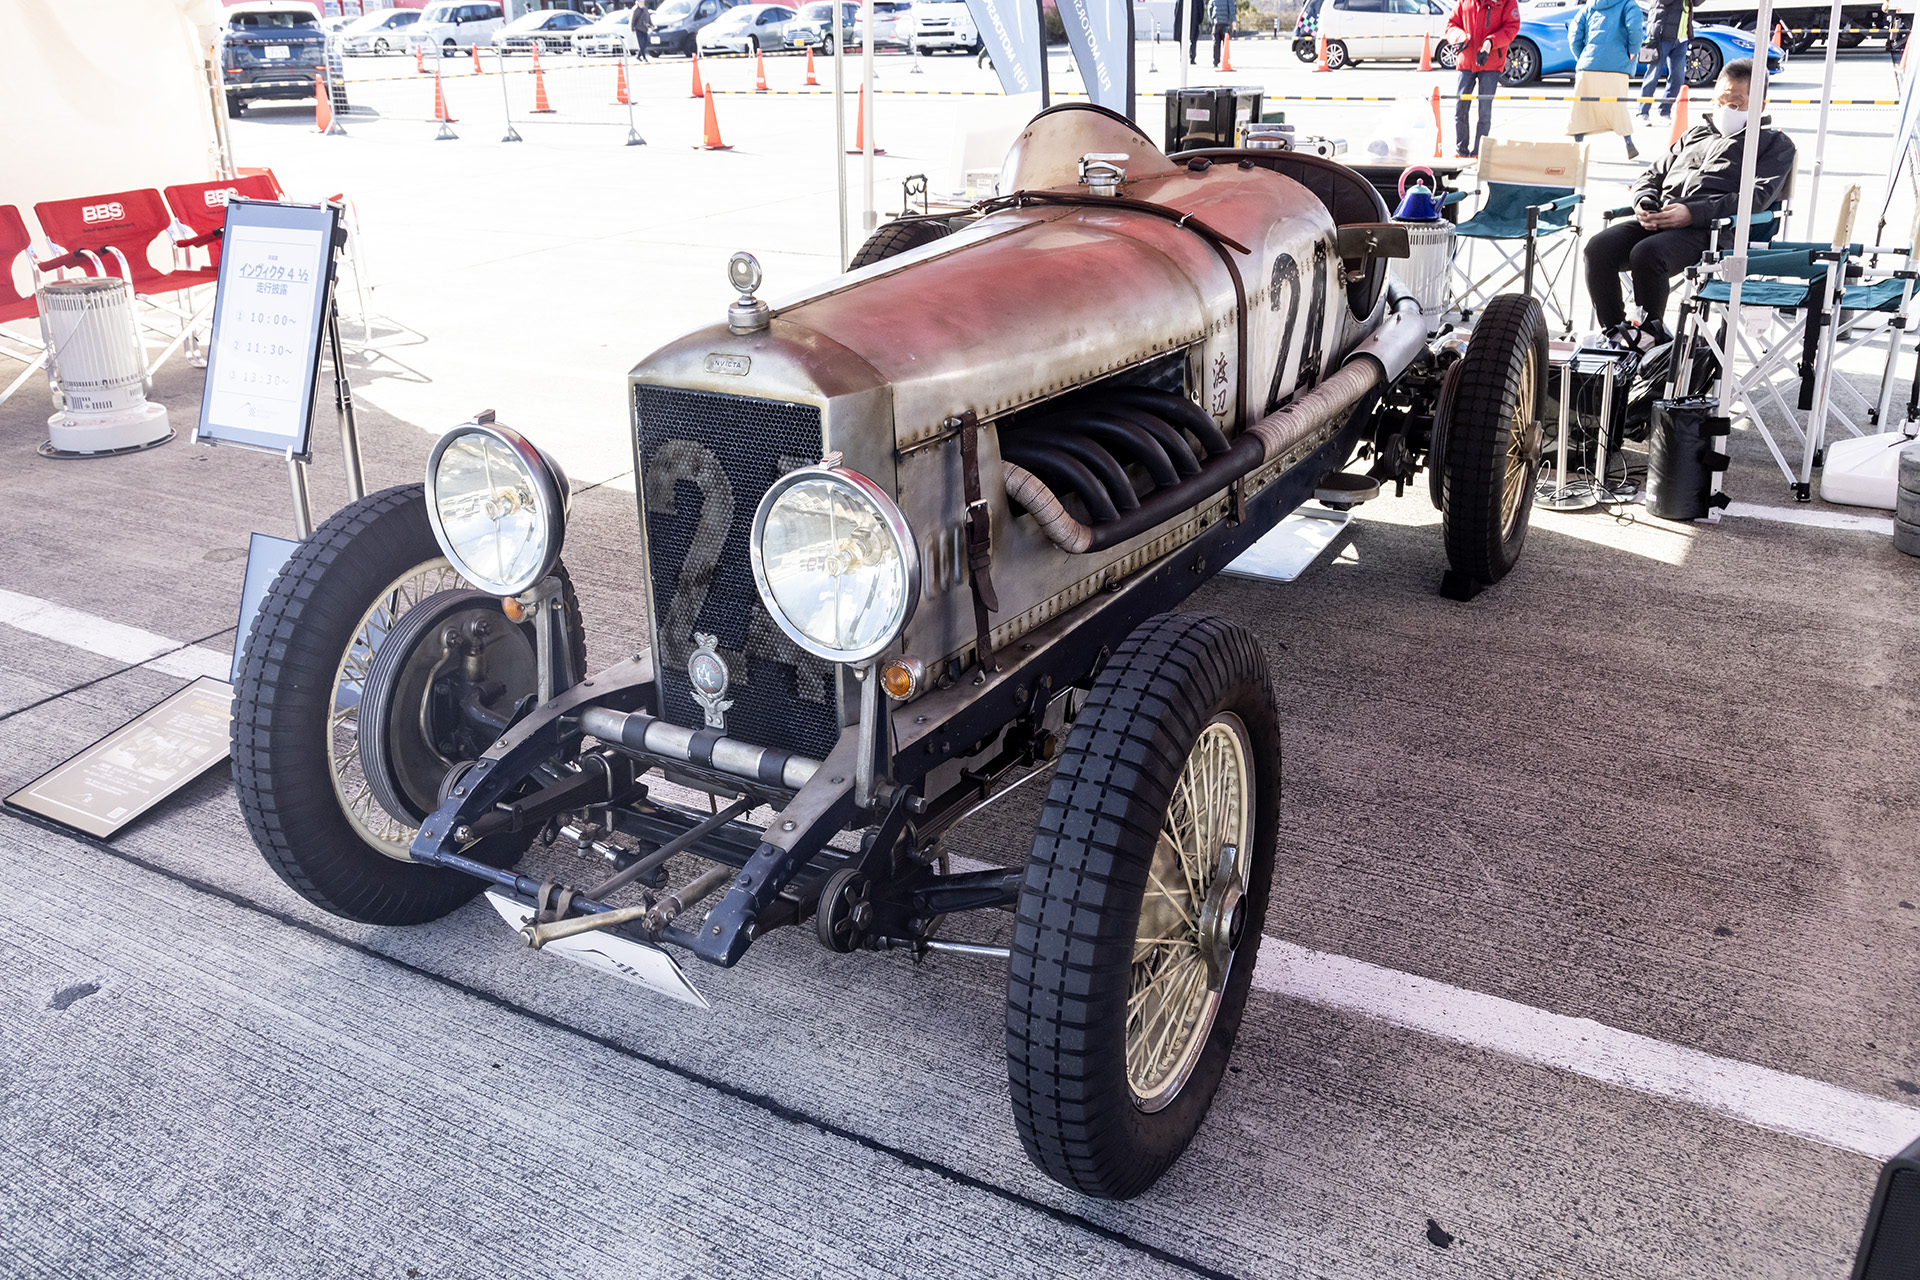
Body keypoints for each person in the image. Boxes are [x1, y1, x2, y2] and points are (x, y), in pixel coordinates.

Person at [1583, 60, 1795, 346]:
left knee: (1647, 253)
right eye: (1721, 99)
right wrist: (1644, 200)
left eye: (1737, 103)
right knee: (1598, 248)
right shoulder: (1694, 134)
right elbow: (1653, 174)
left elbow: (1756, 198)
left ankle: (1650, 336)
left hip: (1710, 230)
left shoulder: (1774, 144)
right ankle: (1616, 332)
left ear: (1759, 105)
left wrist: (1692, 214)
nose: (1726, 108)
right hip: (1661, 218)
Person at [1567, 0, 1644, 160]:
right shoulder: (1628, 4)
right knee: (1618, 108)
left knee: (1581, 109)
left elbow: (1574, 33)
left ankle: (1577, 147)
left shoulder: (1589, 6)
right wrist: (1633, 51)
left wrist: (1582, 57)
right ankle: (1628, 142)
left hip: (1588, 66)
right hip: (1617, 66)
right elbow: (1635, 28)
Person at [1442, 0, 1520, 158]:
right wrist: (1460, 37)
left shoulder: (1507, 2)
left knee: (1484, 111)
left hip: (1490, 63)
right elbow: (1451, 25)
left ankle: (1479, 152)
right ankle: (1461, 151)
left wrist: (1490, 43)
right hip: (1466, 61)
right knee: (1460, 109)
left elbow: (1511, 27)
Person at [1638, 0, 1690, 123]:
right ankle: (1642, 112)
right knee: (1653, 76)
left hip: (1682, 38)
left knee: (1678, 78)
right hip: (1662, 35)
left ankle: (1665, 111)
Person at [1210, 0, 1235, 67]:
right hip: (1225, 23)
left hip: (1216, 22)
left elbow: (1210, 8)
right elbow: (1231, 8)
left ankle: (1216, 61)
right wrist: (1233, 20)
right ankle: (1225, 60)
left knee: (1216, 43)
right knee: (1225, 43)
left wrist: (1212, 20)